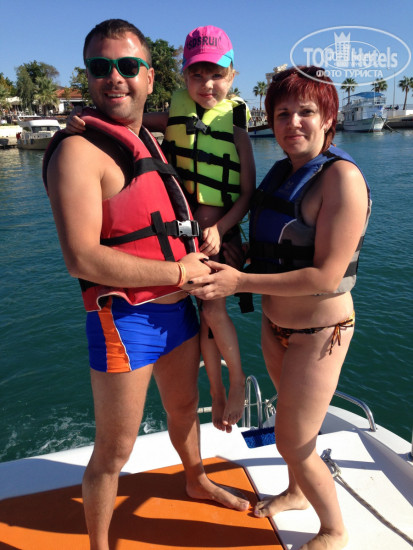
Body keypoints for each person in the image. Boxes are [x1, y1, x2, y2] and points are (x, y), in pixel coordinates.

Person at [43, 18, 249, 550]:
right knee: (115, 450)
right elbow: (80, 258)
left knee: (183, 409)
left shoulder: (151, 140)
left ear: (150, 78)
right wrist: (180, 272)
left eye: (128, 66)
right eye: (101, 67)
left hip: (178, 311)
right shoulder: (78, 151)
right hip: (126, 319)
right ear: (88, 77)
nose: (115, 77)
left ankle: (195, 477)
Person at [189, 66, 371, 550]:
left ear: (328, 117)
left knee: (292, 439)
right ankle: (296, 492)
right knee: (287, 427)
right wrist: (241, 255)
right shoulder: (281, 172)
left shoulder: (341, 180)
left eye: (305, 112)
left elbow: (325, 276)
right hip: (276, 326)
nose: (293, 123)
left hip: (320, 333)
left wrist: (239, 281)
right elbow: (282, 247)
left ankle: (333, 529)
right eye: (282, 113)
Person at [66, 25, 256, 434]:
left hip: (219, 236)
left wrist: (223, 228)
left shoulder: (238, 129)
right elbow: (124, 122)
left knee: (214, 311)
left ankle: (237, 380)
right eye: (196, 75)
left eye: (217, 75)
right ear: (183, 76)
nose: (207, 84)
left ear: (232, 76)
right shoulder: (174, 119)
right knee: (204, 319)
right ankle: (216, 391)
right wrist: (79, 120)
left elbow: (247, 194)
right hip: (189, 242)